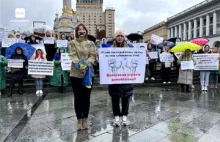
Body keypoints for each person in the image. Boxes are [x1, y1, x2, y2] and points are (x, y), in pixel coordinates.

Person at [68, 24, 96, 130]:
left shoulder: (91, 43)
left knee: (86, 97)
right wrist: (81, 65)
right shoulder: (72, 43)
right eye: (79, 30)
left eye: (83, 29)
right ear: (76, 32)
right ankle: (79, 119)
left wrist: (87, 64)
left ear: (86, 31)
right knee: (78, 97)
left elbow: (93, 55)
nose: (81, 31)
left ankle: (85, 119)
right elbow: (72, 55)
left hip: (88, 74)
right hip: (75, 74)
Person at [109, 30, 133, 127]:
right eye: (118, 36)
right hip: (114, 77)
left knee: (126, 98)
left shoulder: (130, 48)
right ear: (115, 37)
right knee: (115, 98)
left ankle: (124, 116)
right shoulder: (110, 48)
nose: (120, 37)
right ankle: (116, 116)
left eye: (121, 36)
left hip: (126, 77)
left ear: (124, 38)